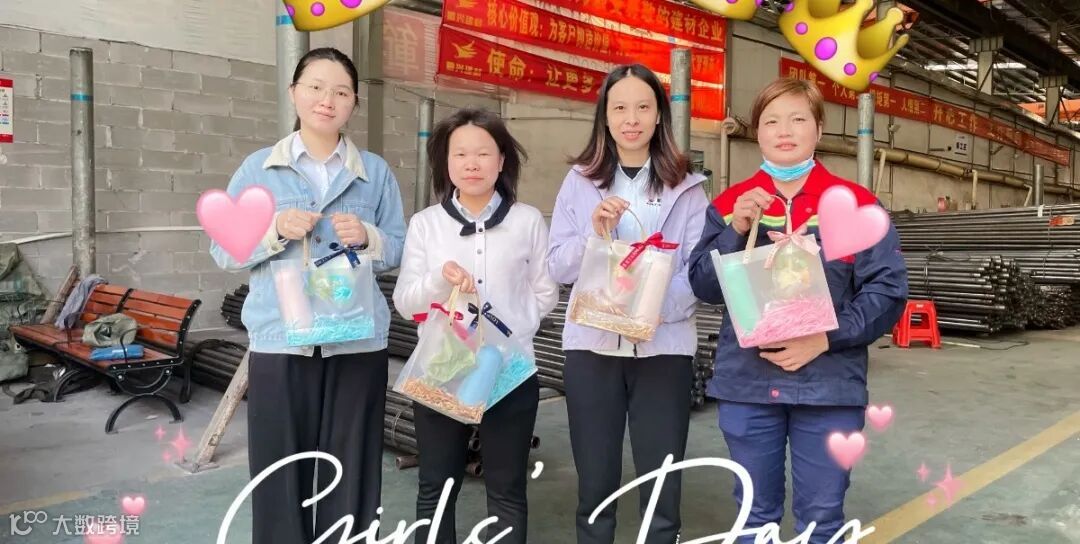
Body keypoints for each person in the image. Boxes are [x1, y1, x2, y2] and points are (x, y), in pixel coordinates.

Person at [687, 78, 908, 543]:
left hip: (827, 388)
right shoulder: (729, 205)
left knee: (822, 520)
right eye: (771, 121)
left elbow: (887, 292)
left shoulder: (854, 205)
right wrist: (736, 230)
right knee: (753, 517)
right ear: (757, 132)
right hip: (748, 386)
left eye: (798, 119)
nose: (784, 130)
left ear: (819, 129)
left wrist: (825, 337)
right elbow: (703, 286)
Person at [209, 47, 406, 544]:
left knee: (353, 468)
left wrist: (369, 236)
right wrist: (274, 228)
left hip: (356, 340)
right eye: (315, 87)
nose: (327, 100)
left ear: (354, 102)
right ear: (294, 93)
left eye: (341, 91)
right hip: (281, 341)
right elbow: (225, 251)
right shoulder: (259, 170)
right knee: (279, 470)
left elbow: (399, 246)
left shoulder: (375, 172)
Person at [546, 64, 709, 544]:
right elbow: (557, 265)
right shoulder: (579, 182)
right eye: (619, 108)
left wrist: (651, 311)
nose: (631, 119)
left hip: (664, 349)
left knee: (662, 481)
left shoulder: (688, 187)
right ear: (605, 116)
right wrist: (593, 235)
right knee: (595, 482)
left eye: (642, 107)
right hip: (592, 349)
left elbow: (698, 270)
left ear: (659, 115)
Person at [392, 108, 559, 544]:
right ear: (445, 162)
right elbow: (405, 302)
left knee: (507, 487)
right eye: (460, 154)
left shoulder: (527, 221)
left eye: (483, 153)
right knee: (436, 485)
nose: (472, 163)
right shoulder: (426, 225)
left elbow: (546, 291)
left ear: (501, 160)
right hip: (442, 368)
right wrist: (438, 279)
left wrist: (512, 333)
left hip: (510, 371)